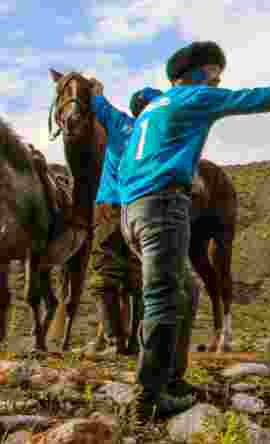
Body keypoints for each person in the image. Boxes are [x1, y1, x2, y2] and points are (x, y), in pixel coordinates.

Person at [118, 40, 270, 418]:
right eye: (216, 73)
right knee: (163, 297)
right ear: (201, 72)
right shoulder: (193, 97)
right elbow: (253, 99)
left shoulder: (151, 109)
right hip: (161, 205)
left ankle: (172, 380)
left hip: (134, 210)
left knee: (187, 289)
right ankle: (147, 397)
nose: (219, 81)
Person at [85, 82, 164, 357]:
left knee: (105, 275)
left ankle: (114, 340)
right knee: (139, 277)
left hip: (111, 207)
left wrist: (96, 87)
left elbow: (97, 101)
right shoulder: (164, 135)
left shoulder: (121, 125)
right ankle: (138, 342)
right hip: (145, 209)